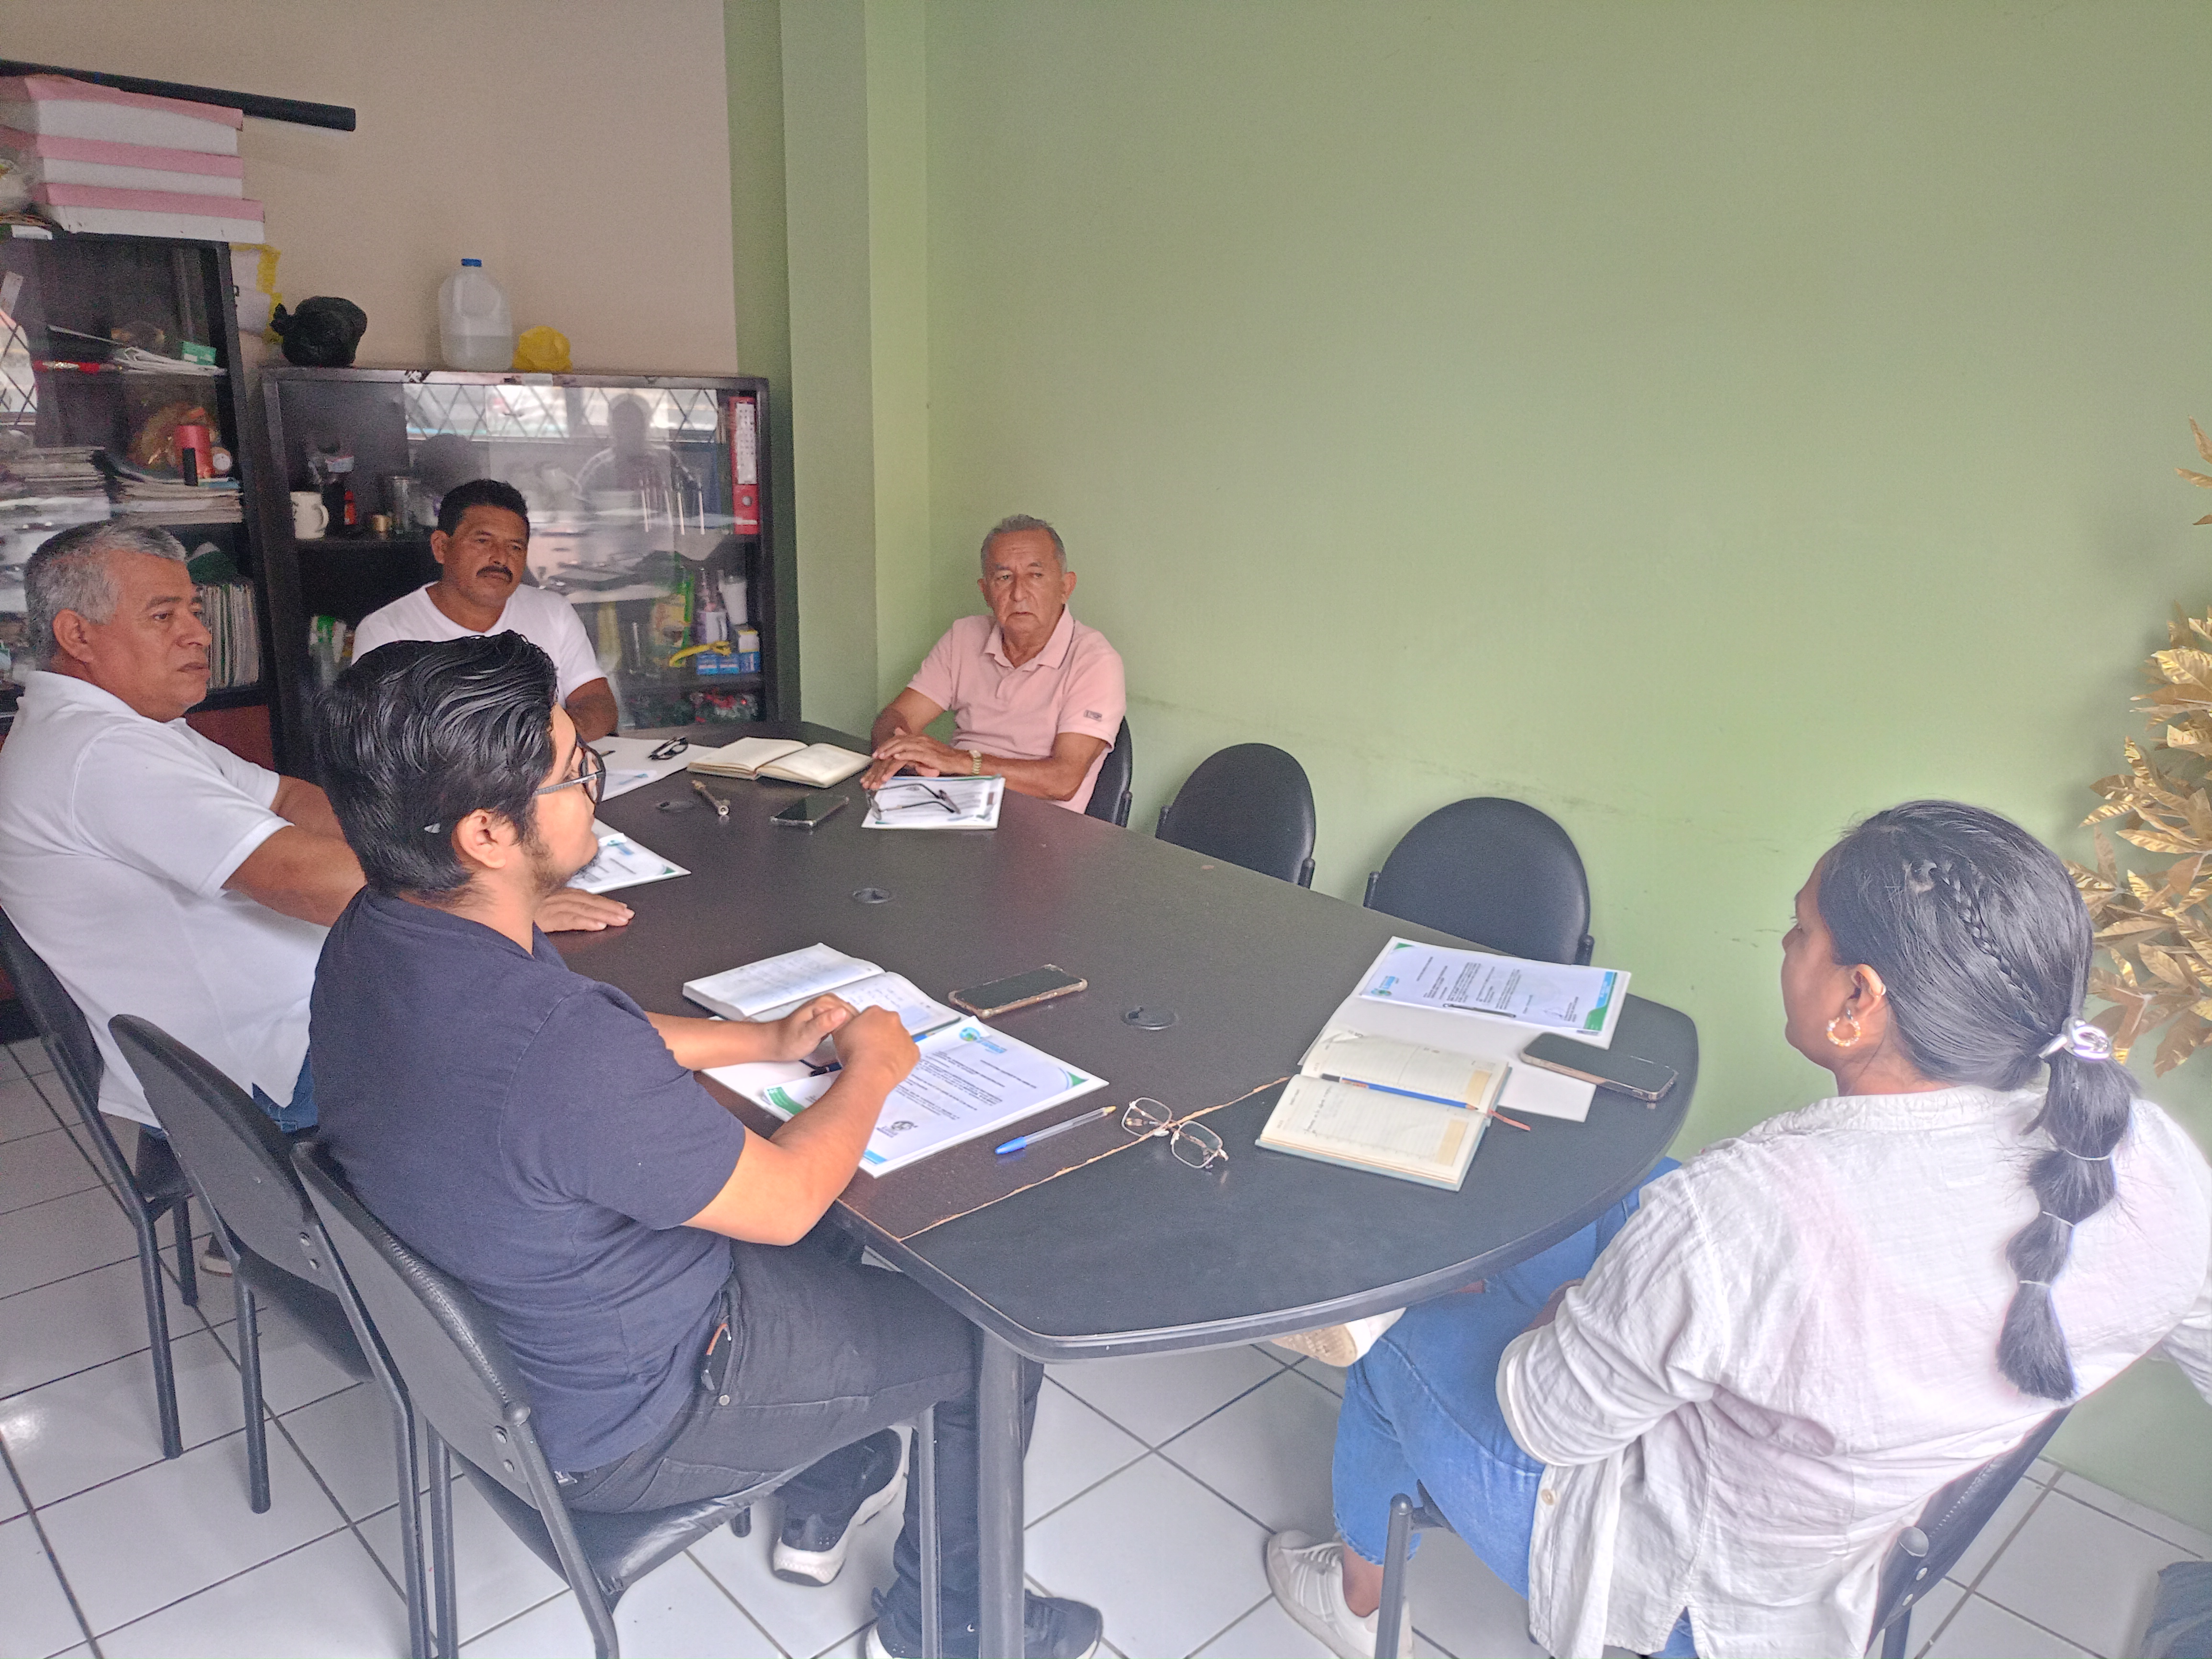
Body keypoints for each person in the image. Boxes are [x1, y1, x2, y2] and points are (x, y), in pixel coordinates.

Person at [307, 634, 1105, 1659]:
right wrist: (871, 1068)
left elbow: (573, 1038)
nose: (592, 791)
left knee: (835, 1240)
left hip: (512, 1345)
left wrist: (761, 1042)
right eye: (576, 774)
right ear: (486, 833)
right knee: (990, 1341)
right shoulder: (557, 1051)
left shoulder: (381, 932)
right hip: (636, 1411)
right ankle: (948, 1626)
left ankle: (827, 1479)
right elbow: (784, 1199)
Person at [1267, 800, 2212, 1659]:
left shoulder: (1747, 1209)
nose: (1785, 946)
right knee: (1638, 1186)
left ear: (1857, 999)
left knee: (1396, 1330)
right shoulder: (2139, 1150)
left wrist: (1570, 1309)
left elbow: (1545, 1416)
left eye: (1799, 931)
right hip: (1857, 1528)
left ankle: (1352, 1600)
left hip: (1693, 1580)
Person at [0, 521, 630, 1146]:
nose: (199, 634)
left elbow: (290, 799)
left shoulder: (125, 729)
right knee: (566, 1046)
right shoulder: (98, 753)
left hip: (301, 1013)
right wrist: (492, 899)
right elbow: (297, 878)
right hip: (272, 1066)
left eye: (194, 611)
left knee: (548, 1005)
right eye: (164, 617)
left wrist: (437, 851)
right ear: (77, 635)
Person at [863, 516, 1124, 812]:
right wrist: (899, 752)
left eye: (1036, 575)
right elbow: (898, 715)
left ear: (1065, 587)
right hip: (953, 805)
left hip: (1039, 824)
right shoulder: (964, 636)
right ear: (986, 592)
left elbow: (1063, 781)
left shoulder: (1095, 661)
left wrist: (957, 760)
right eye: (1004, 578)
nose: (1019, 593)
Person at [350, 477, 618, 740]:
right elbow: (383, 739)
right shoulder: (387, 631)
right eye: (483, 541)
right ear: (441, 547)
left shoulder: (553, 612)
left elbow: (598, 703)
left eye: (515, 546)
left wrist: (545, 742)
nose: (501, 557)